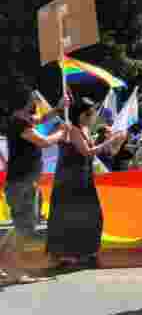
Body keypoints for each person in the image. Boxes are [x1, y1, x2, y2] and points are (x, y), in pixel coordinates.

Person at [46, 97, 126, 269]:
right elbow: (87, 152)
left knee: (92, 215)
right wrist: (109, 141)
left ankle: (87, 252)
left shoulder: (85, 128)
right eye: (92, 112)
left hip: (84, 177)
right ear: (84, 114)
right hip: (69, 179)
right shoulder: (72, 129)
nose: (94, 115)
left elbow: (101, 152)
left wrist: (116, 142)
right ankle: (62, 255)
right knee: (67, 217)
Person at [1, 89, 67, 284]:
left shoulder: (21, 119)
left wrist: (58, 109)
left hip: (22, 182)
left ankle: (5, 265)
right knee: (25, 228)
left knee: (20, 226)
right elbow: (44, 142)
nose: (35, 101)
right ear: (23, 103)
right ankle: (15, 271)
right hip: (22, 182)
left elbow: (41, 119)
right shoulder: (19, 122)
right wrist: (62, 133)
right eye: (32, 99)